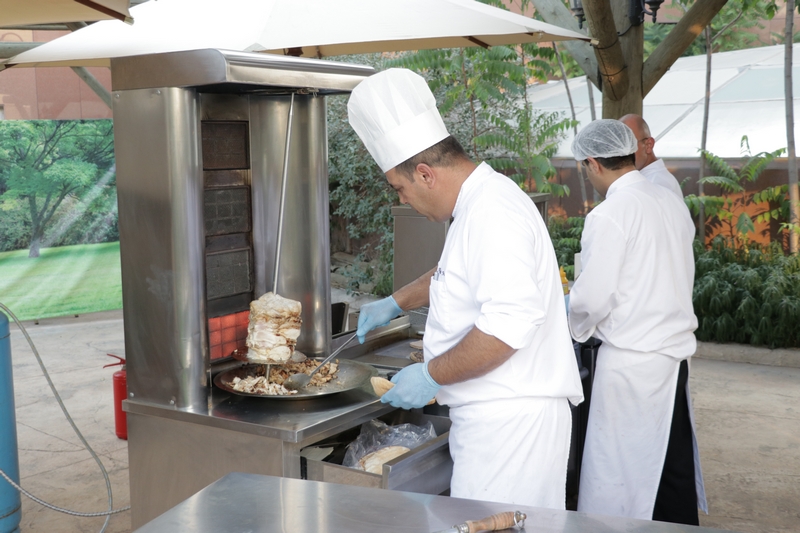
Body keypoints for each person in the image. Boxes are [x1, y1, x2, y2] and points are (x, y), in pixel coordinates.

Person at [348, 68, 583, 509]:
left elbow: (506, 327)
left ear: (425, 174)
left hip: (510, 428)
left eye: (400, 188)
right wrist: (394, 302)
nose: (403, 201)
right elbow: (451, 274)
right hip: (499, 420)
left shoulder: (493, 212)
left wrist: (431, 374)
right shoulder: (479, 204)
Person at [567, 119, 707, 525]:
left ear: (591, 163)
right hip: (671, 360)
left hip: (630, 365)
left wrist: (571, 320)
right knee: (666, 467)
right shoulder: (668, 202)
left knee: (617, 480)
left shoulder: (611, 213)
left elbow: (592, 298)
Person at [619, 114, 684, 199]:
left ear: (648, 145)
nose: (622, 153)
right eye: (618, 147)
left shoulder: (657, 183)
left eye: (629, 145)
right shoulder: (651, 179)